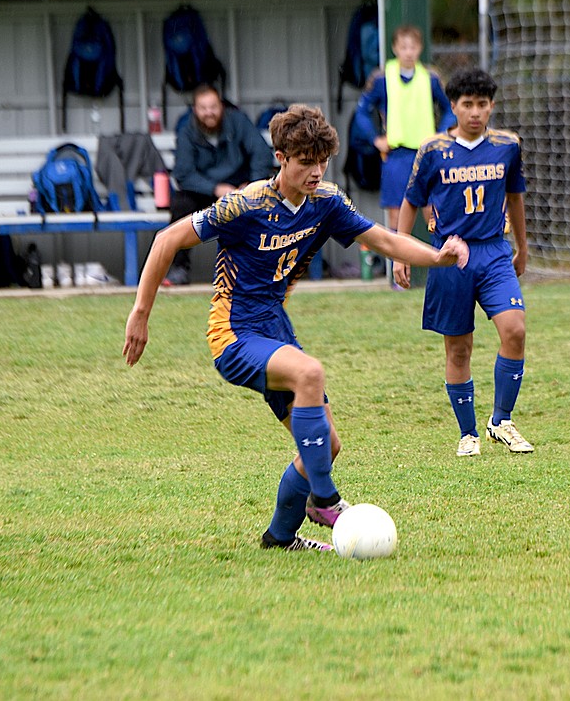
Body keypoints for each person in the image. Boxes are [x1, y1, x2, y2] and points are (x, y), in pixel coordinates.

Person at [123, 104, 469, 552]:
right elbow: (166, 239)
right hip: (233, 333)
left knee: (327, 445)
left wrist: (434, 255)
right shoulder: (245, 204)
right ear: (281, 158)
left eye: (321, 161)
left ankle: (280, 537)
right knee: (310, 374)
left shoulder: (326, 202)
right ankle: (325, 500)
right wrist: (141, 313)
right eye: (305, 161)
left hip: (275, 328)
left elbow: (381, 239)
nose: (315, 171)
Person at [392, 68, 532, 457]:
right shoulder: (433, 150)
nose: (475, 112)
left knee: (515, 330)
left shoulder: (507, 146)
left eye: (482, 105)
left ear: (491, 107)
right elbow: (411, 201)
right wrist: (402, 251)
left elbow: (516, 198)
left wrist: (521, 247)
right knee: (458, 349)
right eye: (467, 104)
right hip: (449, 256)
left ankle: (501, 421)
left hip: (493, 252)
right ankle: (468, 433)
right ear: (453, 106)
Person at [163, 84, 276, 286]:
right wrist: (215, 189)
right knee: (181, 204)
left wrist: (251, 184)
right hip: (204, 191)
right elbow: (184, 174)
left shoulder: (238, 121)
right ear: (195, 110)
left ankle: (258, 269)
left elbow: (262, 154)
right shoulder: (187, 131)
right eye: (203, 108)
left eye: (213, 106)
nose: (209, 113)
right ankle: (179, 269)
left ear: (221, 106)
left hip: (240, 189)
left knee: (261, 202)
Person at [353, 25, 455, 234]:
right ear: (395, 48)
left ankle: (441, 261)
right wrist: (375, 139)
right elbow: (361, 112)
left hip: (426, 154)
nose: (408, 52)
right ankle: (398, 266)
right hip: (396, 155)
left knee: (433, 213)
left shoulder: (431, 78)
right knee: (396, 217)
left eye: (413, 47)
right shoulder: (382, 78)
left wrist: (441, 134)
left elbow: (450, 109)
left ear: (420, 48)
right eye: (403, 47)